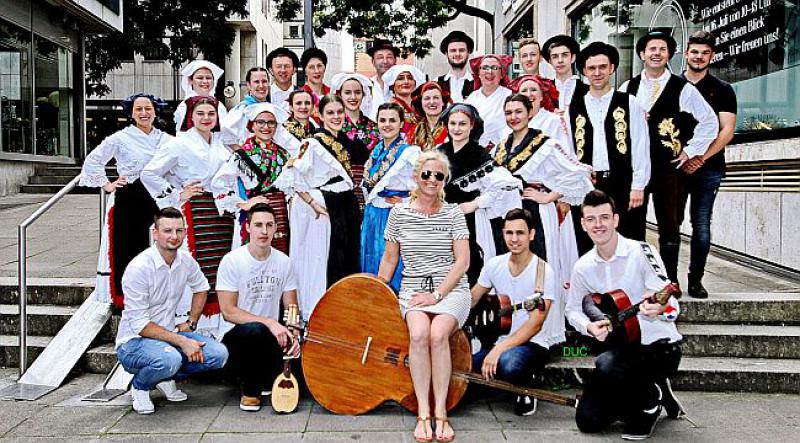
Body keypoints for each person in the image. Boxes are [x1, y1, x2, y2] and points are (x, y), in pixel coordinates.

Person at [566, 190, 683, 440]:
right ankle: (647, 392)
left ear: (616, 220)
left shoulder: (641, 251)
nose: (599, 225)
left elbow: (669, 298)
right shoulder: (583, 266)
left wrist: (662, 308)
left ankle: (651, 401)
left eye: (604, 217)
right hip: (620, 346)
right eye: (591, 219)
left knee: (606, 364)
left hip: (659, 347)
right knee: (588, 421)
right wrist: (589, 326)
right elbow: (573, 309)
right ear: (583, 224)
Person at [377, 150, 471, 443]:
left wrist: (437, 294)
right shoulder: (399, 213)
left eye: (439, 175)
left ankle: (441, 413)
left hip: (451, 290)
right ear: (416, 176)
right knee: (419, 335)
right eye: (427, 174)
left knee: (437, 335)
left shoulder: (453, 213)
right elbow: (390, 259)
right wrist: (378, 290)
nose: (432, 180)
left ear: (445, 181)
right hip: (413, 290)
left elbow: (462, 262)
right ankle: (423, 413)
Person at [620, 31, 718, 290]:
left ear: (669, 54)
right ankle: (636, 279)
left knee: (669, 223)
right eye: (651, 48)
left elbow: (710, 122)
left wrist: (690, 150)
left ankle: (670, 280)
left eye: (662, 49)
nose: (656, 53)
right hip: (635, 168)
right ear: (642, 54)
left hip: (668, 168)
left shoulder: (683, 88)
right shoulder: (627, 88)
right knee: (632, 223)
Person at [115, 207, 229, 415]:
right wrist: (183, 341)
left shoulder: (185, 261)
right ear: (155, 234)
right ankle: (140, 386)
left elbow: (201, 287)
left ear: (185, 232)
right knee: (170, 359)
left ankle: (165, 377)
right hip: (133, 342)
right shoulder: (139, 268)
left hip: (169, 336)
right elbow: (140, 326)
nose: (174, 236)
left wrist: (191, 322)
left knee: (218, 354)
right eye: (167, 231)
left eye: (179, 231)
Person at [274, 95, 370, 319]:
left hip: (341, 204)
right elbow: (289, 177)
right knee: (316, 261)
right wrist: (312, 202)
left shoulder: (345, 141)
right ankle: (310, 313)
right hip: (320, 206)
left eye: (339, 112)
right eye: (330, 113)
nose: (336, 117)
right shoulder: (313, 143)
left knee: (340, 259)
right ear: (320, 115)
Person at [141, 96, 234, 322]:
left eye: (211, 114)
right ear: (191, 117)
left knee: (220, 262)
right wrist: (176, 194)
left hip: (220, 213)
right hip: (194, 210)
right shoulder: (179, 143)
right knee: (195, 264)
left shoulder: (221, 143)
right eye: (200, 113)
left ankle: (220, 319)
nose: (206, 118)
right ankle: (190, 317)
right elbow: (149, 173)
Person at [495, 94, 593, 299]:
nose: (513, 117)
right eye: (508, 113)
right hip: (511, 211)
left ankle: (544, 319)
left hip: (537, 210)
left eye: (518, 111)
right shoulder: (503, 145)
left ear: (530, 113)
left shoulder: (545, 144)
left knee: (539, 259)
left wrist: (550, 196)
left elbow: (579, 174)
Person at [80, 93, 172, 310]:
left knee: (165, 243)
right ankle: (129, 296)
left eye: (147, 108)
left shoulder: (166, 139)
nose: (143, 113)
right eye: (138, 109)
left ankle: (163, 294)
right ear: (131, 113)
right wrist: (108, 184)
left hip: (159, 196)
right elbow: (94, 160)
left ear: (155, 111)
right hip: (130, 196)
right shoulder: (120, 137)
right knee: (129, 246)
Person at [470, 208, 562, 416]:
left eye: (520, 233)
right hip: (498, 339)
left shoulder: (543, 272)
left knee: (510, 364)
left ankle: (529, 383)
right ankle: (498, 385)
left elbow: (535, 324)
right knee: (466, 368)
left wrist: (497, 350)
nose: (514, 239)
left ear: (531, 234)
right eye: (509, 233)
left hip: (533, 344)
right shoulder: (494, 264)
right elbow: (472, 299)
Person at [216, 203, 300, 412]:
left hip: (271, 337)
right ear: (247, 228)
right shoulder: (232, 261)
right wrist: (270, 322)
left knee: (307, 363)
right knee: (255, 329)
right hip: (236, 340)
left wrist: (294, 335)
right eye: (258, 225)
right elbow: (228, 312)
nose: (264, 231)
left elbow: (291, 307)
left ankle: (267, 378)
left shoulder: (284, 262)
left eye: (269, 225)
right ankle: (250, 391)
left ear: (275, 228)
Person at [568, 42, 650, 252]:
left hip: (623, 181)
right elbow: (569, 149)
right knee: (588, 241)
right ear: (584, 71)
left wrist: (638, 185)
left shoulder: (629, 102)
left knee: (628, 239)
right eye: (592, 68)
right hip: (588, 183)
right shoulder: (574, 106)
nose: (597, 73)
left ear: (612, 68)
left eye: (602, 67)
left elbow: (641, 145)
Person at [680, 31, 737, 299]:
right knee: (672, 224)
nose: (699, 57)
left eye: (704, 53)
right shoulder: (672, 86)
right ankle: (669, 282)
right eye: (694, 52)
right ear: (686, 53)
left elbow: (726, 131)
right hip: (676, 168)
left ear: (711, 56)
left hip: (709, 168)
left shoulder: (723, 90)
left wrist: (700, 158)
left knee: (701, 224)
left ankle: (695, 280)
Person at [439, 104, 522, 285]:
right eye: (452, 123)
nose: (457, 128)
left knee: (471, 268)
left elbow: (506, 184)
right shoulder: (440, 151)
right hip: (444, 219)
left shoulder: (479, 154)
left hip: (470, 222)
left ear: (472, 125)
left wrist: (475, 204)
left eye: (462, 124)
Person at [211, 102, 292, 254]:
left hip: (281, 215)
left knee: (280, 255)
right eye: (260, 122)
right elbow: (220, 183)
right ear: (252, 126)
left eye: (271, 122)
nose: (266, 127)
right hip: (255, 212)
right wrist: (244, 204)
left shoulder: (284, 154)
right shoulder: (242, 155)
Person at [360, 103, 422, 291]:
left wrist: (404, 201)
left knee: (393, 264)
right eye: (383, 120)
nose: (387, 125)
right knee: (372, 260)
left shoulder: (410, 153)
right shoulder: (376, 151)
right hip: (373, 214)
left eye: (392, 120)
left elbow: (424, 186)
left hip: (394, 215)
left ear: (401, 123)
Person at [220, 66, 301, 154]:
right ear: (248, 85)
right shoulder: (242, 110)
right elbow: (226, 136)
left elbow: (284, 138)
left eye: (264, 81)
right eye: (256, 82)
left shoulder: (272, 109)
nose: (261, 86)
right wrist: (246, 158)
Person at [501, 74, 570, 148]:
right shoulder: (511, 124)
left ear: (541, 96)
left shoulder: (553, 121)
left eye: (533, 90)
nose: (529, 94)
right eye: (524, 91)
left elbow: (564, 152)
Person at [464, 55, 513, 148]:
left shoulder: (510, 97)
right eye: (485, 68)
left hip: (502, 150)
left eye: (494, 68)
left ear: (502, 74)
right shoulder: (471, 99)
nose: (489, 72)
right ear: (478, 73)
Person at [173, 60, 228, 133]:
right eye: (200, 78)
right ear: (190, 80)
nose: (205, 81)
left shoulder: (219, 106)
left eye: (208, 78)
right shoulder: (185, 106)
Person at [331, 72, 380, 150]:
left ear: (363, 94)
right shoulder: (332, 126)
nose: (353, 97)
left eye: (357, 92)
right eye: (347, 93)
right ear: (339, 95)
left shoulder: (375, 128)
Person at [542, 35, 588, 112]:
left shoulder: (588, 91)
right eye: (555, 56)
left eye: (565, 55)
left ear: (573, 58)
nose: (560, 60)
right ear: (550, 61)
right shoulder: (544, 91)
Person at [382, 64, 426, 138]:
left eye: (410, 78)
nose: (406, 81)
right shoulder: (390, 108)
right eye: (400, 78)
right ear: (393, 85)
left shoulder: (420, 107)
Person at [409, 81, 450, 150]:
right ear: (421, 102)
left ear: (443, 102)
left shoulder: (452, 128)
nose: (431, 102)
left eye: (436, 98)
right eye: (427, 98)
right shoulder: (413, 132)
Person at [436, 30, 475, 103]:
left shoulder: (478, 83)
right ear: (446, 54)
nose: (457, 54)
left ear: (468, 53)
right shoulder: (437, 83)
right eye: (453, 50)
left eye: (462, 50)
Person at [367, 39, 400, 118]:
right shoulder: (366, 86)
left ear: (395, 60)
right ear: (373, 61)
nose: (385, 61)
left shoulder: (402, 87)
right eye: (380, 57)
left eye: (389, 57)